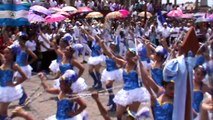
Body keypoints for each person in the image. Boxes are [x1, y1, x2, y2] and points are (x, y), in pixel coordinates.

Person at [96, 35, 150, 120]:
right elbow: (111, 56)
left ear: (133, 57)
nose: (126, 56)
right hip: (125, 92)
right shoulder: (124, 64)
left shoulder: (137, 66)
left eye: (128, 55)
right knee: (119, 115)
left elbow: (146, 76)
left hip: (136, 92)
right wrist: (103, 45)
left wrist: (139, 63)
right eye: (126, 55)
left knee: (132, 115)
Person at [0, 46, 27, 119]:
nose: (5, 55)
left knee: (2, 113)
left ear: (13, 55)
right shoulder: (3, 61)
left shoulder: (14, 65)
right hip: (1, 88)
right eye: (4, 53)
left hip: (7, 91)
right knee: (2, 113)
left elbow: (24, 76)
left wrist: (15, 84)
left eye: (8, 53)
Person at [13, 32, 38, 106]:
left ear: (23, 41)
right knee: (17, 83)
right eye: (19, 39)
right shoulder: (17, 47)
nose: (19, 41)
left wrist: (28, 63)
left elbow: (35, 57)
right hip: (17, 66)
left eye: (20, 39)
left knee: (17, 83)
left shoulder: (26, 49)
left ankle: (23, 96)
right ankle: (23, 96)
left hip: (23, 68)